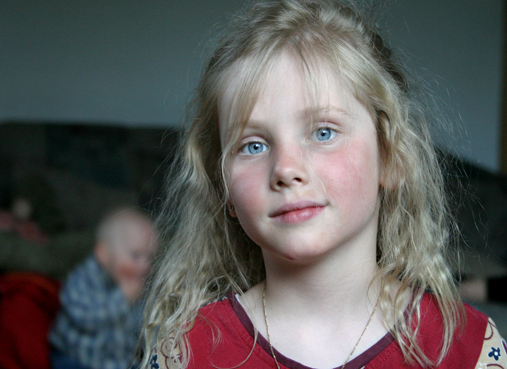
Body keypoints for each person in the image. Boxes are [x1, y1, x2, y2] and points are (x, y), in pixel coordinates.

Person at [139, 1, 504, 368]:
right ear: (225, 188)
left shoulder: (469, 348)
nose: (285, 168)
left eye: (323, 132)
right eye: (253, 145)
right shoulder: (186, 353)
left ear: (391, 157)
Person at [49, 207, 158, 369]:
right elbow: (85, 319)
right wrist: (122, 299)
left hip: (116, 362)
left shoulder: (137, 285)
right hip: (76, 358)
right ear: (104, 254)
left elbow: (141, 327)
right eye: (136, 256)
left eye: (149, 258)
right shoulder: (83, 278)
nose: (144, 266)